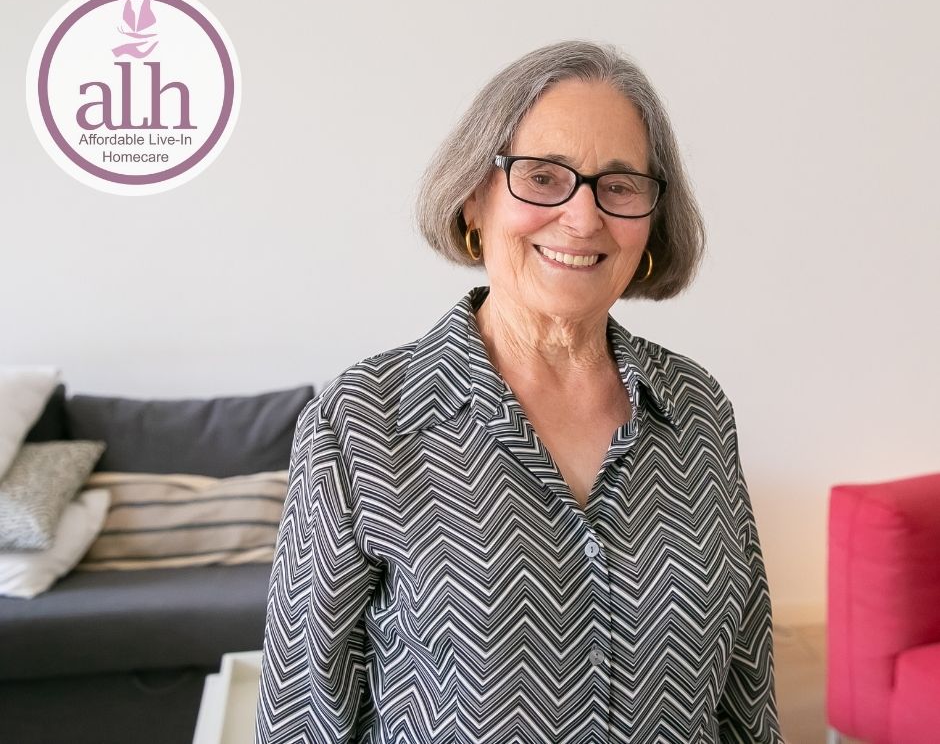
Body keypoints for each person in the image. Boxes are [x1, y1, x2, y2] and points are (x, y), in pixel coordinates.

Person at [255, 40, 783, 743]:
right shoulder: (360, 420)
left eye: (620, 185)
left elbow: (747, 693)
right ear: (474, 199)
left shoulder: (696, 405)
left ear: (652, 218)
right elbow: (301, 717)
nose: (583, 218)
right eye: (542, 176)